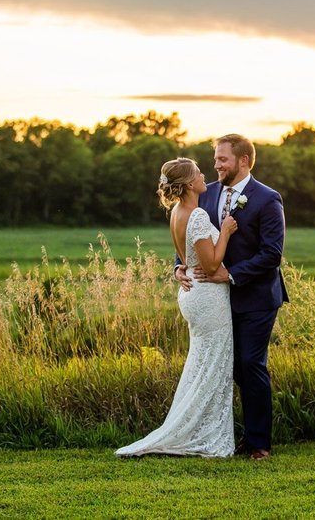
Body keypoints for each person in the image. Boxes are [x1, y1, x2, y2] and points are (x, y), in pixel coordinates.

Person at [115, 157, 239, 458]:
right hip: (207, 295)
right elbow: (210, 264)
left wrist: (179, 269)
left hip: (191, 292)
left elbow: (185, 257)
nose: (203, 175)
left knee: (202, 364)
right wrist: (225, 231)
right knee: (213, 365)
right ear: (187, 184)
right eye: (198, 172)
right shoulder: (196, 215)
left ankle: (195, 427)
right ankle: (203, 434)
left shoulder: (177, 212)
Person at [177, 134, 289, 461]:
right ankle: (240, 435)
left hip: (257, 297)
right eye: (215, 159)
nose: (216, 165)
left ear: (243, 161)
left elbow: (272, 254)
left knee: (251, 364)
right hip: (218, 301)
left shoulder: (268, 199)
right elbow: (191, 237)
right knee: (233, 367)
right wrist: (178, 268)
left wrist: (232, 273)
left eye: (222, 159)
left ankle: (259, 443)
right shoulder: (207, 193)